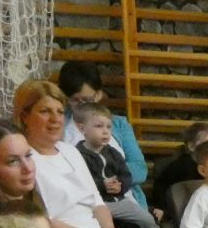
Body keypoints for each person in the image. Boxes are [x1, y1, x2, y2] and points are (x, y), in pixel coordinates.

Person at [14, 79, 155, 228]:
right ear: (25, 116)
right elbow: (41, 220)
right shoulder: (25, 158)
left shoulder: (70, 151)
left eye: (60, 112)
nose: (55, 119)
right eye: (45, 111)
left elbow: (97, 202)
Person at [56, 59, 149, 209]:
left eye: (87, 99)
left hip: (123, 199)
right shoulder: (59, 126)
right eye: (74, 100)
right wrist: (98, 181)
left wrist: (113, 180)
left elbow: (140, 168)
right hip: (79, 203)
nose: (81, 105)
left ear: (98, 94)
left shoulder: (118, 124)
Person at [72, 102, 162, 228]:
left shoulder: (114, 153)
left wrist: (121, 185)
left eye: (108, 127)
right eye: (99, 126)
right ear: (82, 129)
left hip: (119, 201)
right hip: (94, 205)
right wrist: (102, 185)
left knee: (148, 221)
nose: (105, 131)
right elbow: (79, 183)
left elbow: (125, 174)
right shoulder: (76, 154)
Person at [148, 121, 208, 216]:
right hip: (185, 210)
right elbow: (161, 186)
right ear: (191, 146)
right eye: (206, 143)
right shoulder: (180, 166)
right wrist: (161, 208)